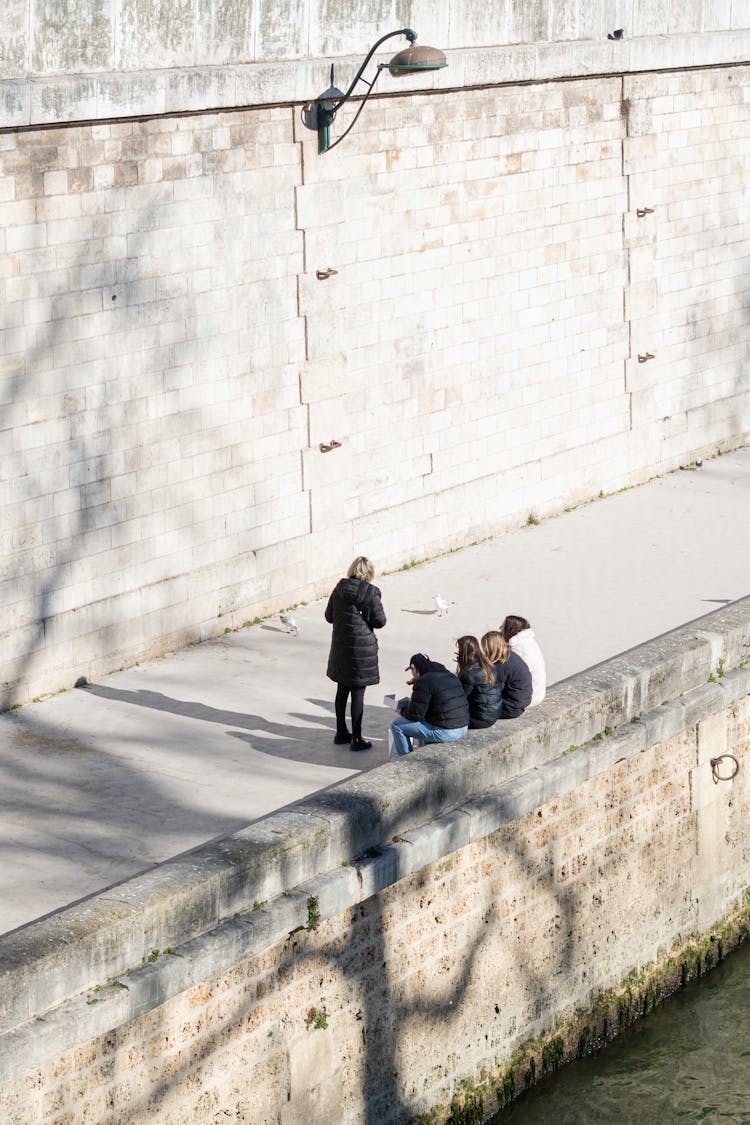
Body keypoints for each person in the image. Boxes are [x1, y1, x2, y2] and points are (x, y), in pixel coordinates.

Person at [325, 556, 386, 751]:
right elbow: (380, 621)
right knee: (358, 691)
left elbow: (328, 616)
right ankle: (357, 738)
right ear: (369, 574)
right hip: (361, 650)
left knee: (342, 688)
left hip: (341, 647)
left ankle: (341, 732)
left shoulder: (340, 589)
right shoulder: (370, 593)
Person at [389, 653, 469, 757]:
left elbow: (415, 716)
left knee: (397, 724)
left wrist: (402, 710)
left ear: (415, 669)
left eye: (412, 671)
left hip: (448, 732)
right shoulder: (448, 674)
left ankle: (405, 760)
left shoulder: (423, 681)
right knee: (424, 722)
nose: (412, 674)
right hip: (463, 727)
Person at [482, 631, 532, 719]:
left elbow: (493, 691)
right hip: (519, 702)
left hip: (511, 708)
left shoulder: (502, 665)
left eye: (485, 648)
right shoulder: (510, 656)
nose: (484, 651)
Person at [455, 635, 502, 729]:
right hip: (493, 715)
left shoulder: (469, 674)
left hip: (479, 719)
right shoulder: (488, 665)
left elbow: (461, 699)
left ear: (463, 652)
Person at [498, 615, 546, 706]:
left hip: (528, 697)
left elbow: (510, 673)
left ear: (511, 629)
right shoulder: (527, 641)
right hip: (536, 693)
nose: (500, 628)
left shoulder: (519, 648)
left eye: (503, 626)